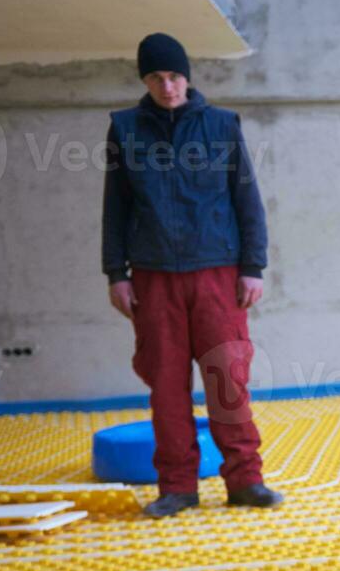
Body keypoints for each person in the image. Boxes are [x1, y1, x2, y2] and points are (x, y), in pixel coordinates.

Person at [102, 32, 284, 518]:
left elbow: (247, 200)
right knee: (165, 385)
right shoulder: (124, 129)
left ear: (188, 77)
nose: (168, 87)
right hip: (152, 277)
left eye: (175, 76)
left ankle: (246, 481)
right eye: (157, 78)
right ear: (145, 80)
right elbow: (115, 208)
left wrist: (252, 267)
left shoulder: (222, 125)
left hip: (218, 274)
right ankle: (177, 488)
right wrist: (114, 273)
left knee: (227, 379)